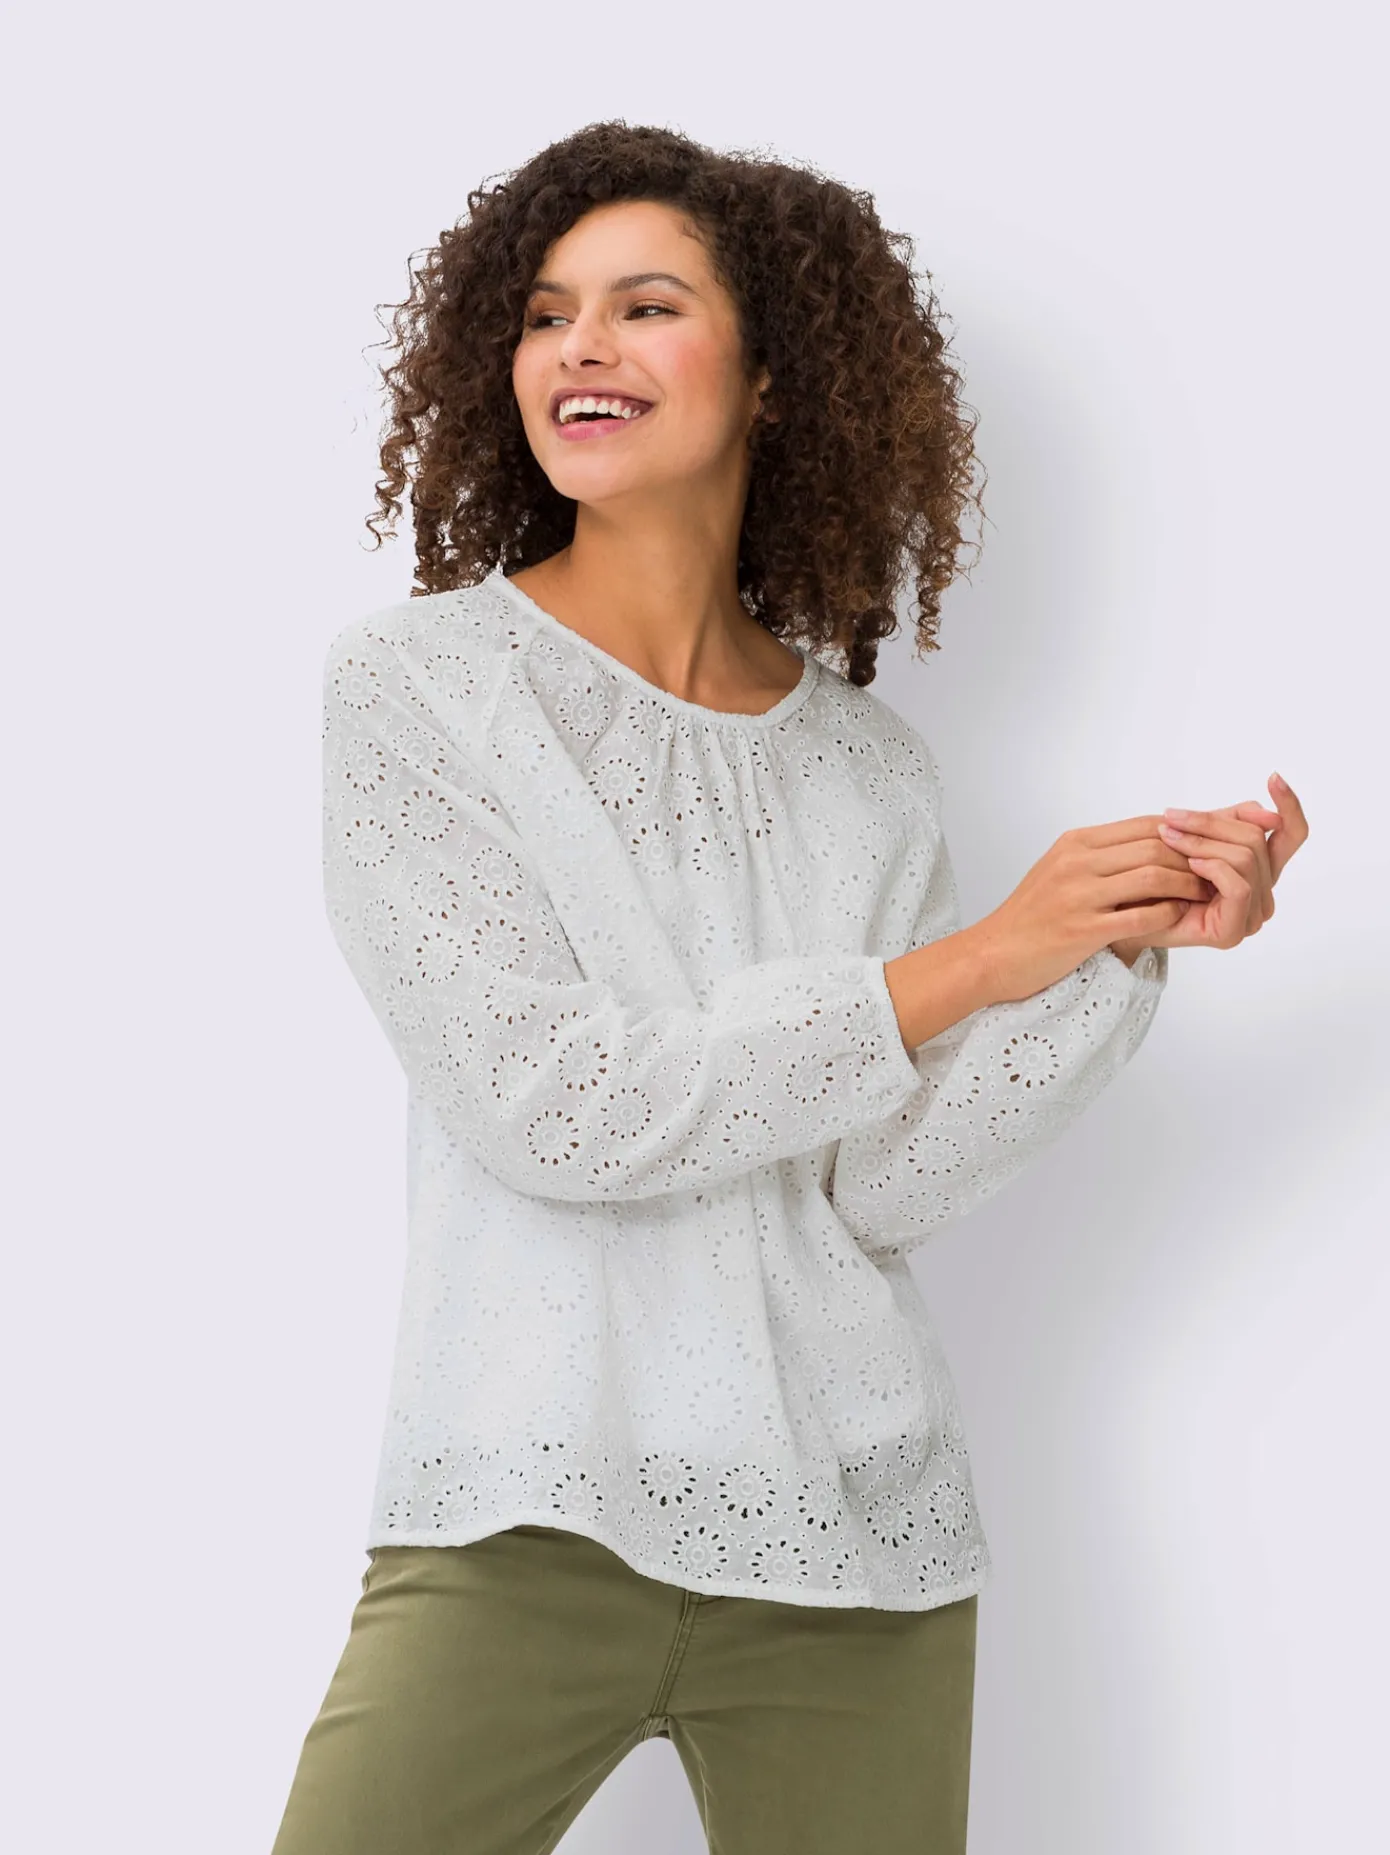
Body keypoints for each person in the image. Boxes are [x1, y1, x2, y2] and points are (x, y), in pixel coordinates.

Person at [271, 121, 1307, 1855]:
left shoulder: (867, 772)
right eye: (543, 314)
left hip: (859, 1547)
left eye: (643, 305)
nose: (579, 346)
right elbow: (556, 1107)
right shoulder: (422, 690)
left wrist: (1107, 947)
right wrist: (975, 958)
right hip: (527, 1516)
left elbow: (872, 1185)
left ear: (769, 376)